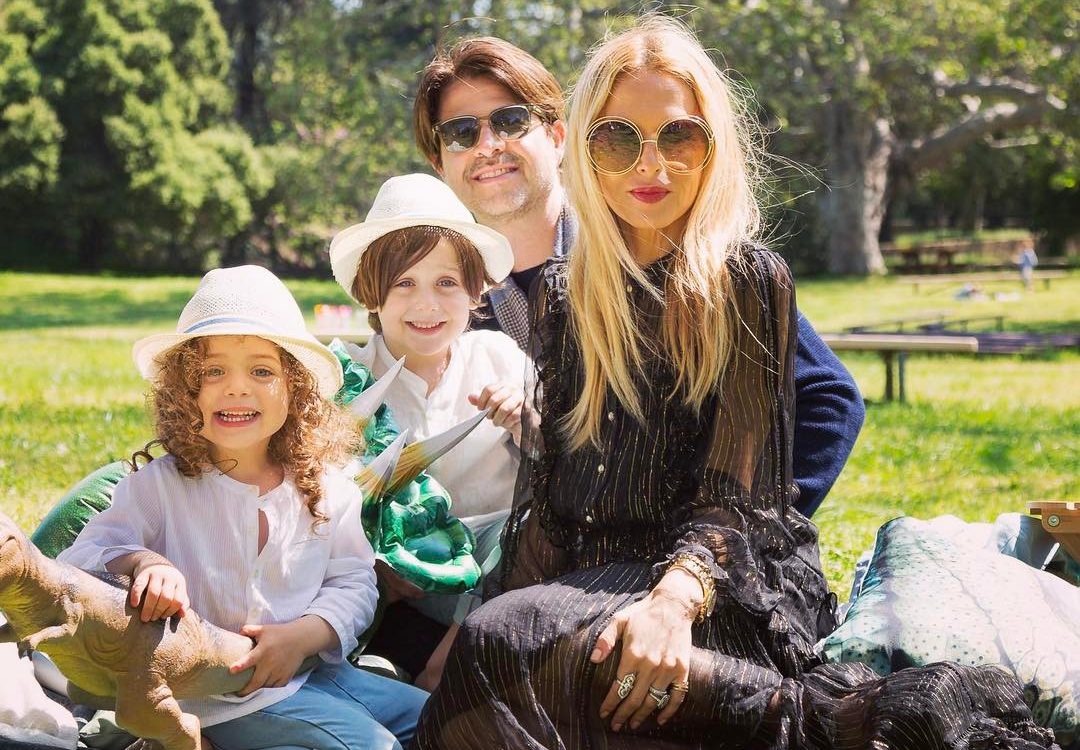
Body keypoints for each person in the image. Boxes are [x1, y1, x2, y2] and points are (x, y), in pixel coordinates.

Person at [413, 18, 1057, 749]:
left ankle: (837, 723)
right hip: (597, 575)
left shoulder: (741, 280)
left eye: (678, 137)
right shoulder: (558, 289)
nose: (648, 165)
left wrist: (681, 590)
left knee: (515, 646)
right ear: (589, 148)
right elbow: (557, 497)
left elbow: (769, 466)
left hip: (718, 586)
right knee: (501, 657)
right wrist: (478, 624)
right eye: (621, 139)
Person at [413, 33, 865, 520]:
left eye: (510, 121)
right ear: (439, 162)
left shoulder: (644, 238)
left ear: (559, 136)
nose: (488, 146)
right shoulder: (439, 299)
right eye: (461, 133)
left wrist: (754, 536)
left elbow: (827, 400)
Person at [58, 265, 427, 750]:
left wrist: (304, 636)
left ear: (295, 390)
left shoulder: (327, 488)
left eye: (262, 371)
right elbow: (79, 562)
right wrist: (144, 562)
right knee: (372, 747)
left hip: (308, 670)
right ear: (182, 390)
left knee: (439, 718)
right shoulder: (162, 486)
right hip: (218, 695)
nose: (236, 388)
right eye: (213, 372)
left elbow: (352, 581)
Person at [328, 172, 527, 689]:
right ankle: (375, 657)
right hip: (392, 577)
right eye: (404, 284)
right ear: (372, 295)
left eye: (446, 284)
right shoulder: (347, 378)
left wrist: (527, 424)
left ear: (475, 292)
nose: (427, 305)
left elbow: (562, 461)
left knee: (525, 528)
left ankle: (443, 667)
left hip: (492, 581)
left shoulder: (498, 358)